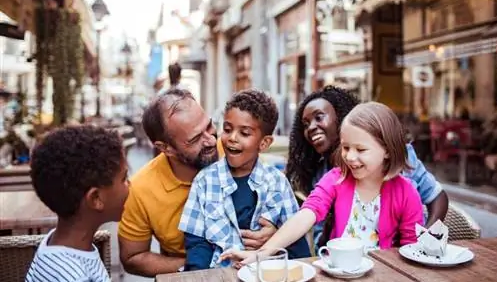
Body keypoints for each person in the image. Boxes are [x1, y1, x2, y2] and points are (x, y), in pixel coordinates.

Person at [220, 102, 424, 266]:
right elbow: (306, 214)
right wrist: (262, 254)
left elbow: (410, 251)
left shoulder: (406, 193)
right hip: (336, 272)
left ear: (387, 149)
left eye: (361, 150)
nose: (350, 157)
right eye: (345, 147)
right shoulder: (336, 178)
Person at [118, 89, 277, 277]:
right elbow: (132, 258)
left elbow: (276, 196)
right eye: (195, 139)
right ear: (165, 148)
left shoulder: (234, 149)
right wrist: (198, 264)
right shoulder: (140, 189)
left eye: (209, 126)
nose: (211, 141)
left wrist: (275, 233)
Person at [286, 86, 448, 246]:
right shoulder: (324, 176)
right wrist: (331, 228)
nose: (311, 127)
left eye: (319, 117)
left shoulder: (400, 158)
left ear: (342, 118)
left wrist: (425, 238)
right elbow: (317, 233)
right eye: (305, 124)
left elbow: (436, 196)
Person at [179, 89, 310, 271]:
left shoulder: (277, 183)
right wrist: (199, 275)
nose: (232, 138)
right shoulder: (204, 182)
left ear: (264, 143)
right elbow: (197, 244)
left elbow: (296, 242)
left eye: (245, 133)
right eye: (227, 129)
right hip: (220, 274)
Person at [26, 126, 128, 282]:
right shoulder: (74, 276)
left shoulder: (58, 243)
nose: (130, 185)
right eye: (124, 179)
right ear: (96, 198)